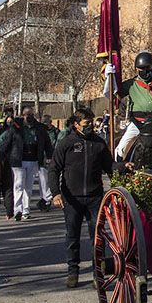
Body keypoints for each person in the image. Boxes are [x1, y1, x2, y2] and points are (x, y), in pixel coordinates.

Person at [51, 108, 113, 288]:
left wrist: (123, 169)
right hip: (72, 198)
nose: (90, 126)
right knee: (72, 236)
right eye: (86, 124)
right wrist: (55, 193)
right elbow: (54, 169)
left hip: (95, 197)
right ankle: (73, 272)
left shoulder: (99, 143)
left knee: (97, 237)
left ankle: (97, 273)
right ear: (76, 124)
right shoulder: (66, 143)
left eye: (91, 123)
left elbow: (110, 167)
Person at [115, 52, 152, 166]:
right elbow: (114, 92)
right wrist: (109, 76)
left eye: (148, 67)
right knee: (120, 149)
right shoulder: (130, 84)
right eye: (141, 68)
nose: (145, 71)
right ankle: (121, 170)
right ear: (136, 69)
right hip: (138, 123)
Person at [0, 106, 53, 220]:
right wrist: (0, 155)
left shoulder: (39, 128)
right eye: (27, 114)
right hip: (18, 160)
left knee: (28, 186)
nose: (29, 117)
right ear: (23, 115)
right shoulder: (15, 128)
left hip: (33, 160)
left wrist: (49, 156)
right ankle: (17, 209)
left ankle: (25, 210)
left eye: (31, 114)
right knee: (18, 185)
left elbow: (47, 143)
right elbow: (4, 142)